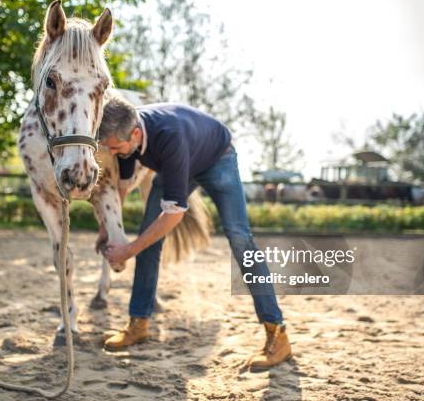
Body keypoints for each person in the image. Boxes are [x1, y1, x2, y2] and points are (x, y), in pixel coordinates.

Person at [98, 97, 291, 369]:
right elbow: (122, 187)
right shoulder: (124, 134)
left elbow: (174, 215)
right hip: (180, 161)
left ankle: (277, 334)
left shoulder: (169, 138)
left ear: (136, 134)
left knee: (240, 238)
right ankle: (138, 322)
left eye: (116, 148)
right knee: (148, 237)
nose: (114, 153)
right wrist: (106, 227)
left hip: (217, 158)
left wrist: (128, 250)